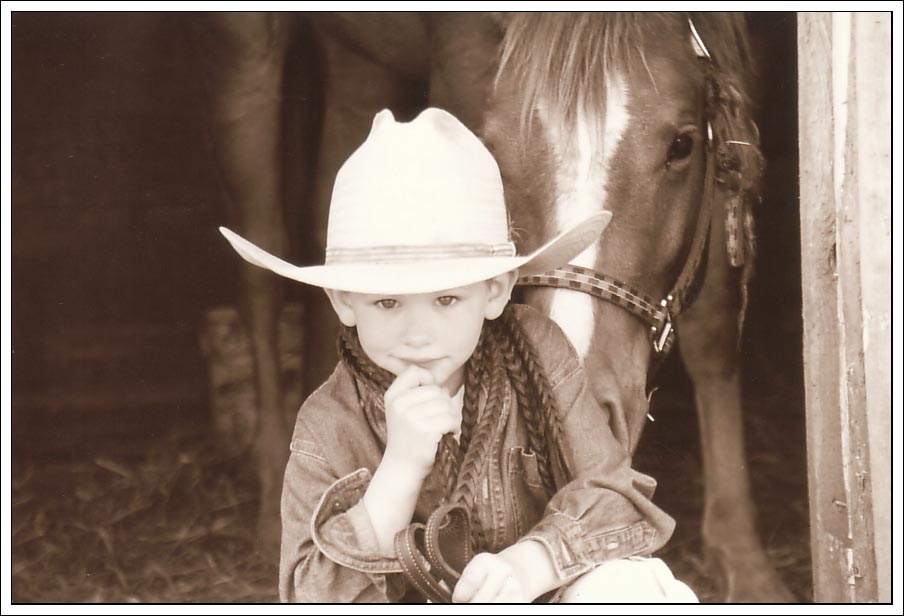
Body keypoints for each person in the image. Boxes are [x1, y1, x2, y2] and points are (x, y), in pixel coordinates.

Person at [220, 108, 697, 603]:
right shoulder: (327, 426)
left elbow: (615, 492)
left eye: (446, 299)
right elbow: (310, 595)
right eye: (387, 302)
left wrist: (531, 564)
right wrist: (400, 469)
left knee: (630, 587)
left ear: (495, 291)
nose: (418, 335)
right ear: (344, 301)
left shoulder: (536, 350)